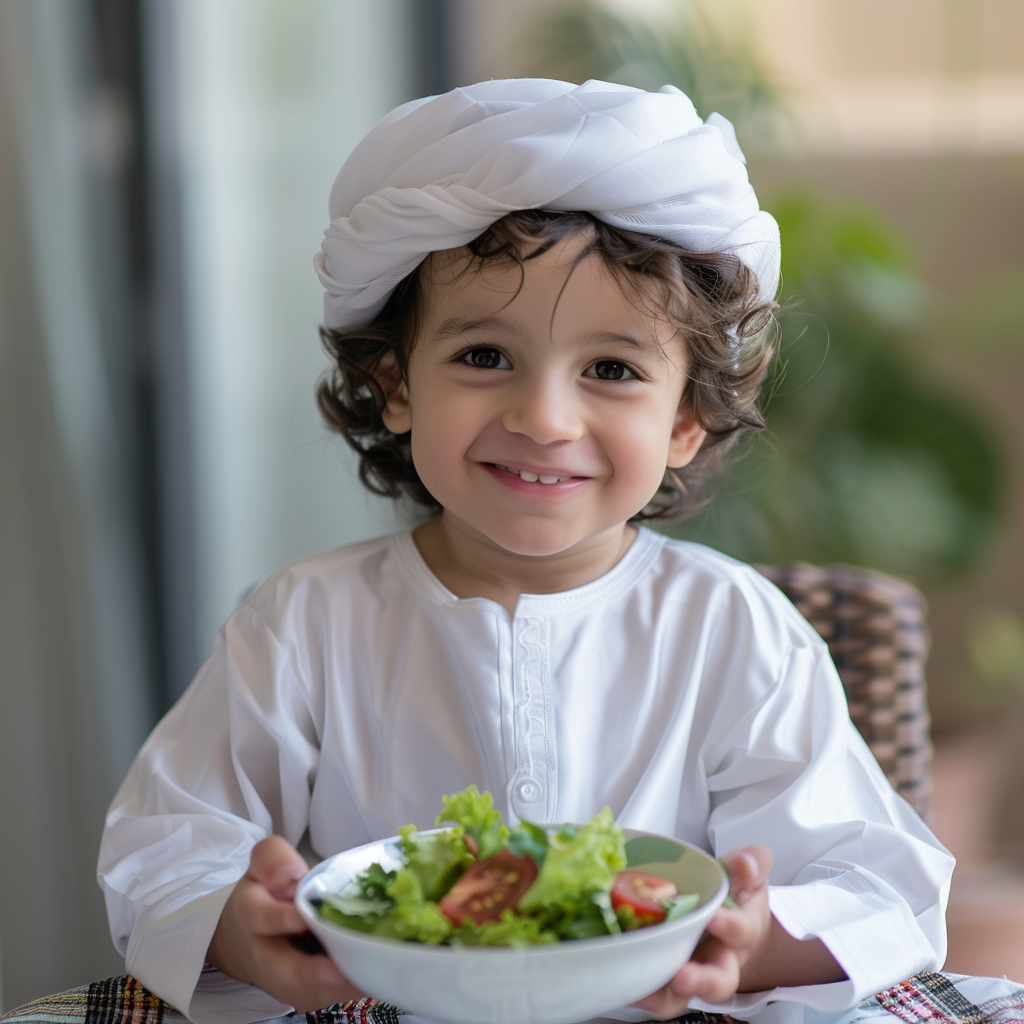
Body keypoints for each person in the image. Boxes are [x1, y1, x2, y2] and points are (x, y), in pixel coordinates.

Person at [97, 79, 953, 1024]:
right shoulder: (300, 623)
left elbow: (874, 882)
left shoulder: (733, 629)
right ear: (394, 383)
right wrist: (239, 926)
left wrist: (748, 946)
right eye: (484, 357)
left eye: (613, 370)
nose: (544, 419)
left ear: (688, 418)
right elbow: (168, 846)